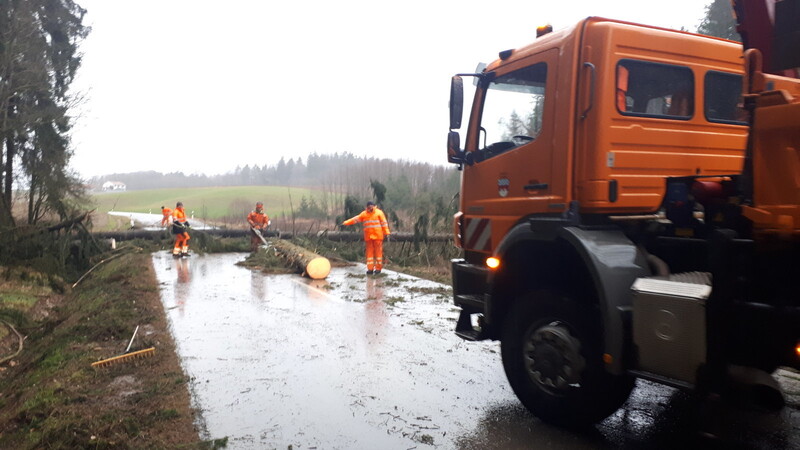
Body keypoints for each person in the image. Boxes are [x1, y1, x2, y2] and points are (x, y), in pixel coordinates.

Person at [342, 201, 391, 274]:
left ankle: (378, 269)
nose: (369, 208)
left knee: (378, 254)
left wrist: (387, 232)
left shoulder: (379, 213)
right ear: (367, 207)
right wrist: (345, 223)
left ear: (374, 206)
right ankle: (370, 269)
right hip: (369, 238)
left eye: (371, 206)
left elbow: (384, 223)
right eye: (368, 206)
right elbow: (355, 219)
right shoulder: (364, 214)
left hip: (377, 237)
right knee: (369, 255)